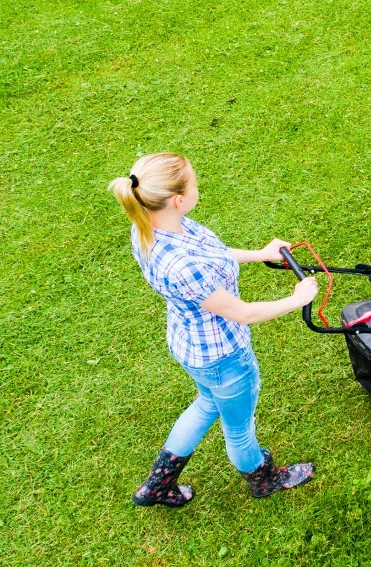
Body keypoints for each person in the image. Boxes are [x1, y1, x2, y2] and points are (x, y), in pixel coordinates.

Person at [108, 152, 319, 508]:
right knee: (239, 430)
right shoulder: (181, 265)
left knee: (208, 403)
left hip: (190, 345)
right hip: (224, 356)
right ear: (177, 199)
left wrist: (260, 253)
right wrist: (296, 299)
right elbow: (243, 313)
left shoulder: (152, 224)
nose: (197, 187)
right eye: (194, 183)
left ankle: (157, 486)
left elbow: (214, 256)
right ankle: (263, 480)